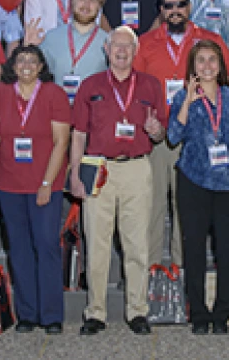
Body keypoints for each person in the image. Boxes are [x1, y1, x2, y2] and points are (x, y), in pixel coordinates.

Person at [133, 0, 229, 265]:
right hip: (162, 135)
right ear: (161, 10)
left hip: (202, 138)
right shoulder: (145, 43)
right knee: (156, 205)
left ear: (189, 6)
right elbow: (136, 90)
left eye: (180, 5)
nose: (174, 11)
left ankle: (184, 269)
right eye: (168, 6)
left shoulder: (209, 40)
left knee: (188, 210)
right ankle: (154, 269)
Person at [69, 26, 166, 336]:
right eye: (116, 46)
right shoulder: (90, 85)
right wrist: (74, 174)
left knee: (137, 243)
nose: (121, 51)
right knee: (96, 242)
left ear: (135, 52)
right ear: (106, 50)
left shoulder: (150, 85)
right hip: (98, 168)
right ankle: (95, 312)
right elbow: (79, 134)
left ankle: (137, 311)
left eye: (127, 46)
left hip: (137, 167)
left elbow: (161, 131)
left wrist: (155, 131)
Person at [0, 45, 70, 334]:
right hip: (9, 184)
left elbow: (61, 142)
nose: (26, 65)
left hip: (45, 184)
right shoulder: (0, 94)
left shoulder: (54, 94)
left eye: (32, 60)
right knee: (19, 249)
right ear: (12, 66)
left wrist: (46, 183)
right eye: (21, 60)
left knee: (46, 246)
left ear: (41, 66)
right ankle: (27, 313)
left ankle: (52, 314)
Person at [168, 41, 229, 334]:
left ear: (220, 65)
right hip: (193, 180)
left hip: (228, 183)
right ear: (192, 67)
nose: (206, 66)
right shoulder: (182, 97)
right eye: (200, 61)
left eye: (212, 60)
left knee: (227, 250)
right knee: (194, 250)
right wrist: (188, 102)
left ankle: (222, 314)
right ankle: (199, 314)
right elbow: (173, 137)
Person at [37, 0, 110, 102]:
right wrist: (28, 46)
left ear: (100, 6)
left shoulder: (108, 41)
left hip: (92, 112)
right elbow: (35, 74)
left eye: (93, 0)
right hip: (56, 111)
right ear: (72, 2)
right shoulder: (51, 38)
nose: (86, 5)